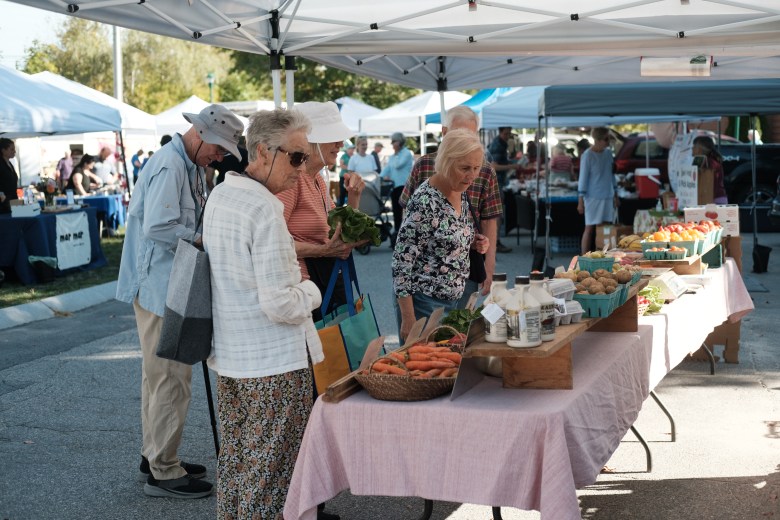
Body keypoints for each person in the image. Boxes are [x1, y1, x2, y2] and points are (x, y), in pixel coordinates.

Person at [116, 103, 243, 499]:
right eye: (219, 150)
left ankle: (154, 453)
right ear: (200, 134)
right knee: (171, 378)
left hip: (162, 285)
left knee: (159, 378)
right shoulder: (172, 165)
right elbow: (159, 226)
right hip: (160, 287)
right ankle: (164, 470)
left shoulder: (184, 164)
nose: (219, 158)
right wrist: (202, 238)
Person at [203, 108, 325, 520]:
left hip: (235, 359)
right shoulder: (265, 208)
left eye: (305, 158)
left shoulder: (222, 193)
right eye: (295, 157)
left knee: (238, 467)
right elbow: (278, 303)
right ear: (261, 151)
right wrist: (311, 291)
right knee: (272, 479)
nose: (301, 169)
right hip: (274, 365)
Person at [400, 105, 503, 306]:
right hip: (428, 273)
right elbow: (407, 225)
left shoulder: (485, 171)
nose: (471, 173)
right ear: (444, 133)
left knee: (461, 328)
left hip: (467, 264)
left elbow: (489, 220)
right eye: (458, 134)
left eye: (470, 135)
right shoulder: (424, 165)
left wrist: (488, 268)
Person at [392, 128, 489, 341]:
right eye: (464, 168)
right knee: (425, 368)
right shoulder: (425, 201)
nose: (471, 176)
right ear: (446, 162)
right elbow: (401, 262)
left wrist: (473, 242)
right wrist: (408, 318)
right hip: (425, 303)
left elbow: (444, 237)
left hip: (453, 300)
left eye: (476, 168)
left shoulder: (459, 191)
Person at [277, 101, 365, 322]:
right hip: (302, 290)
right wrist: (324, 250)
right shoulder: (293, 180)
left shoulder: (317, 178)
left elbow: (342, 231)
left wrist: (353, 195)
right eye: (333, 138)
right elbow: (273, 244)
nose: (340, 144)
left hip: (322, 284)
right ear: (312, 141)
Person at [577, 127, 617, 255]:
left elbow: (611, 175)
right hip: (592, 197)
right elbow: (582, 178)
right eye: (606, 139)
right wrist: (580, 200)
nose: (608, 142)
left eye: (608, 139)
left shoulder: (608, 153)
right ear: (597, 140)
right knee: (589, 228)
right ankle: (584, 257)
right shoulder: (587, 155)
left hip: (607, 195)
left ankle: (603, 255)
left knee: (605, 228)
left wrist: (615, 194)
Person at [381, 131, 414, 238]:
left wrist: (395, 155)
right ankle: (396, 233)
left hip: (404, 186)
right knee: (396, 210)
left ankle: (406, 234)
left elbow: (397, 165)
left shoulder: (406, 153)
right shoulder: (393, 156)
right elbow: (387, 169)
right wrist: (378, 177)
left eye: (394, 141)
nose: (392, 144)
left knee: (405, 210)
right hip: (394, 186)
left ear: (400, 142)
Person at [692, 135, 728, 204]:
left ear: (699, 148)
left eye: (694, 146)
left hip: (714, 200)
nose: (692, 148)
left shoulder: (709, 162)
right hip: (714, 199)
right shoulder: (708, 161)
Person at [0, 138, 18, 214]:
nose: (14, 151)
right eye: (11, 149)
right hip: (3, 203)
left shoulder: (9, 164)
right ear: (3, 150)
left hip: (13, 200)